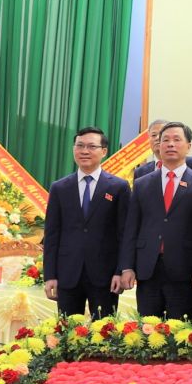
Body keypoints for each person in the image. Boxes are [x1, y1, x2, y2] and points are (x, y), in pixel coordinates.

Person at [120, 121, 192, 320]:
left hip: (185, 269)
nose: (170, 144)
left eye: (177, 139)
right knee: (148, 328)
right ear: (158, 145)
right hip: (148, 268)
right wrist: (127, 266)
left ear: (188, 146)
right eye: (165, 140)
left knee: (181, 329)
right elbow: (132, 228)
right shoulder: (142, 183)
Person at [44, 127, 130, 318]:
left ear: (104, 151)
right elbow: (51, 235)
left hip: (105, 276)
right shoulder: (59, 188)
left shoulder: (118, 187)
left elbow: (124, 234)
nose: (84, 151)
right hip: (67, 274)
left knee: (104, 330)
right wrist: (50, 275)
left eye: (91, 146)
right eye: (80, 146)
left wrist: (120, 271)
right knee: (67, 330)